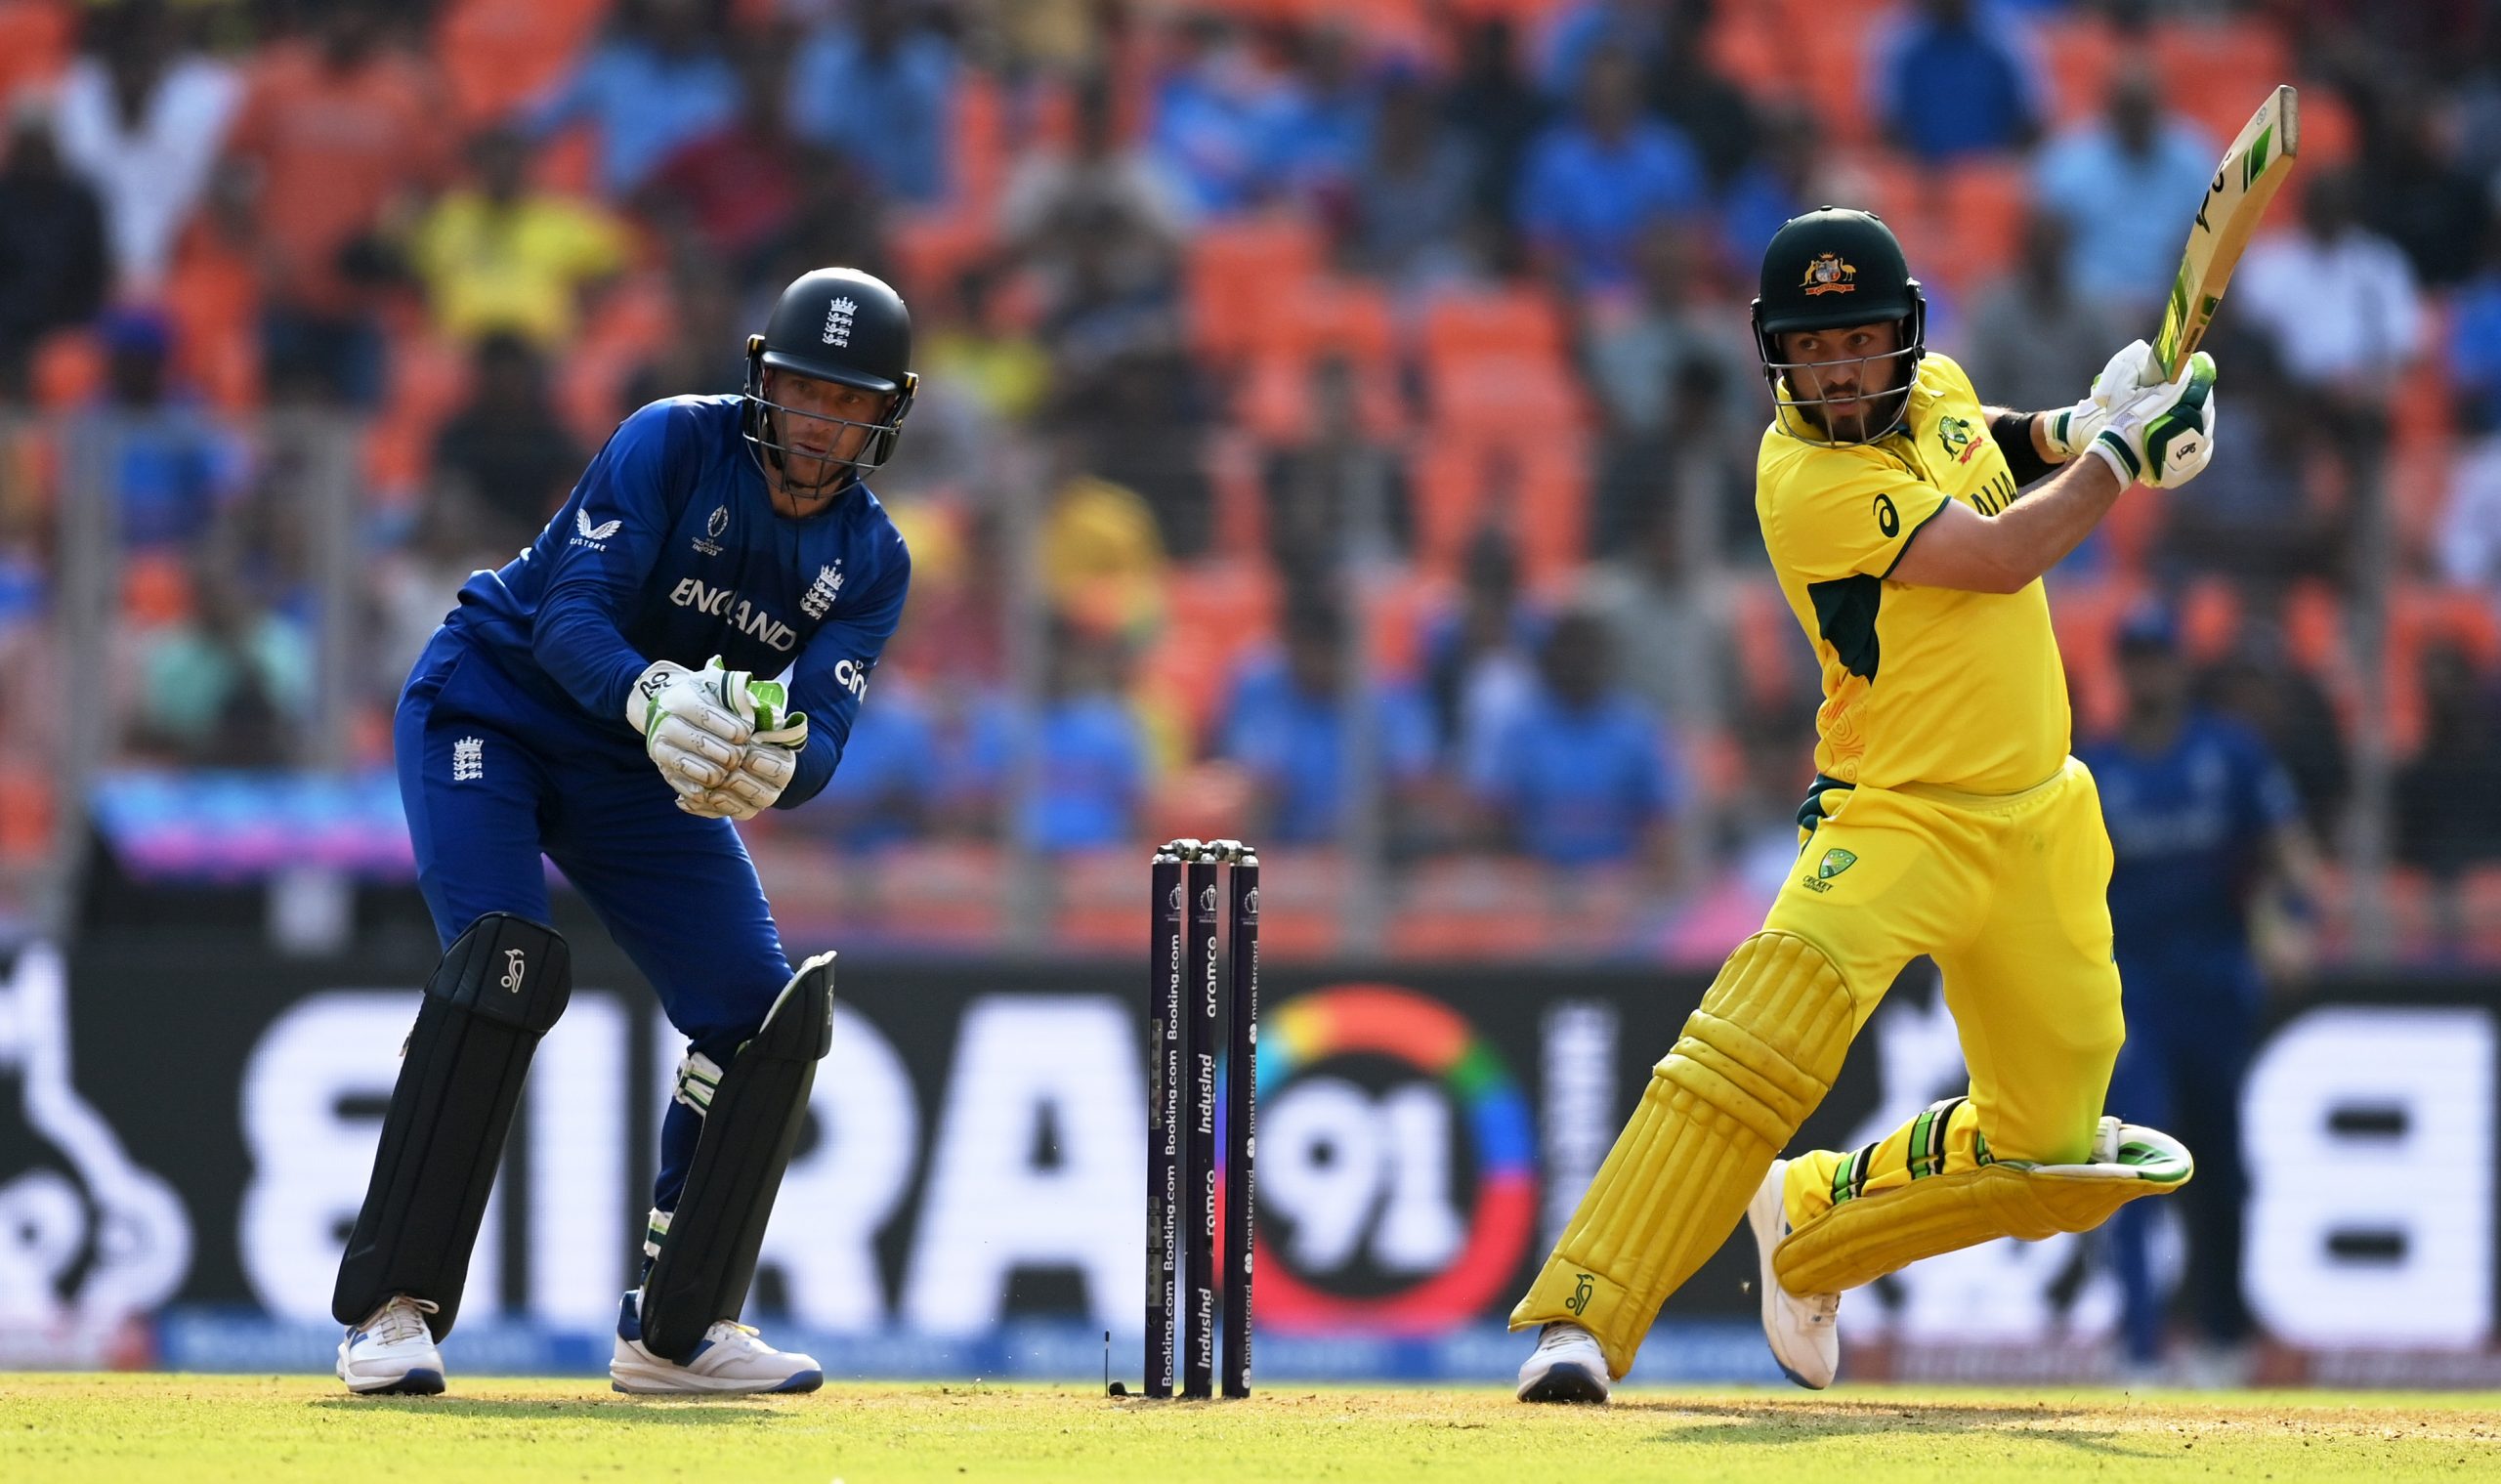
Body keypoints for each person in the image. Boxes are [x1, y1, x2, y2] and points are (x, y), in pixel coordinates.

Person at [1511, 207, 2219, 1403]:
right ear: (1774, 358)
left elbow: (1976, 442)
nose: (1838, 370)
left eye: (1859, 342)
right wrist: (2120, 461)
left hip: (2038, 816)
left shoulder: (1934, 383)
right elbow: (1997, 553)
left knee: (2051, 1153)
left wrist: (2076, 424)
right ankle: (1580, 1319)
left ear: (1904, 337)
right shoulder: (1800, 480)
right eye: (1811, 347)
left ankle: (1811, 1220)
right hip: (1894, 815)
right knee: (1753, 1044)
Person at [330, 267, 916, 1398]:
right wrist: (653, 695)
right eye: (803, 390)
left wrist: (780, 761)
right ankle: (388, 1312)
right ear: (763, 381)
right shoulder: (669, 443)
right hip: (495, 707)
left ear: (884, 415)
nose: (818, 421)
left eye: (848, 403)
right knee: (501, 960)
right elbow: (566, 617)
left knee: (759, 1016)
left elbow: (828, 730)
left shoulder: (874, 558)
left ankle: (676, 1332)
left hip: (643, 769)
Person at [2076, 604, 2318, 1385]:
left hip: (2218, 986)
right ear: (2123, 670)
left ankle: (2222, 1336)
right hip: (2133, 991)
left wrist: (2289, 920)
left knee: (2219, 1164)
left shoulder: (2231, 754)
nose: (2148, 673)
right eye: (2135, 658)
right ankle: (2141, 1344)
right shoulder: (2095, 772)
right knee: (2134, 1158)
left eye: (2159, 657)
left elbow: (2289, 855)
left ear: (2179, 666)